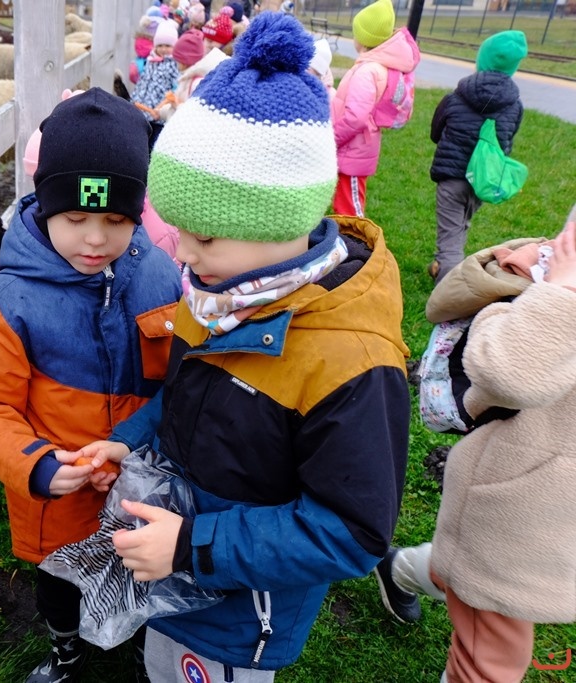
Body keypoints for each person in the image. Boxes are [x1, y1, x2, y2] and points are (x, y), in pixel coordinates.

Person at [66, 14, 411, 681]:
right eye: (178, 229)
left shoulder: (349, 362)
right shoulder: (219, 295)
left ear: (279, 222)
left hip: (241, 614)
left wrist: (191, 546)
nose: (183, 254)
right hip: (177, 566)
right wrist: (130, 441)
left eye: (204, 236)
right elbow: (188, 394)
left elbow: (353, 529)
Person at [0, 87, 182, 683]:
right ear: (46, 205)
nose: (95, 239)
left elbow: (181, 377)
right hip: (59, 490)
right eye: (75, 219)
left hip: (140, 479)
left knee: (138, 563)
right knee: (59, 579)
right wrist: (38, 464)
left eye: (116, 220)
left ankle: (137, 638)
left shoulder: (159, 274)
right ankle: (67, 651)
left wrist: (136, 442)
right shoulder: (12, 299)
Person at [373, 213, 576, 683]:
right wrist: (561, 292)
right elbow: (508, 373)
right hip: (520, 504)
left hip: (556, 506)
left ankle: (402, 568)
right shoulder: (548, 277)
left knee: (463, 570)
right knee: (489, 663)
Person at [426, 31, 527, 282]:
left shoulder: (455, 97)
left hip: (453, 178)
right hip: (484, 179)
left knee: (450, 237)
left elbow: (436, 132)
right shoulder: (515, 105)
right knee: (461, 224)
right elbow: (507, 141)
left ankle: (448, 289)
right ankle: (442, 265)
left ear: (481, 60)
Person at [331, 0, 419, 216]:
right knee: (343, 204)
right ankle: (344, 234)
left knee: (350, 209)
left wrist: (332, 138)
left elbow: (355, 118)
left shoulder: (367, 71)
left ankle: (357, 237)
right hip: (354, 147)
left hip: (353, 148)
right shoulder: (373, 67)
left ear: (363, 38)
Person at [132, 19, 182, 125]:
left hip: (159, 112)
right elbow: (142, 82)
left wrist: (162, 107)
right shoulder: (150, 60)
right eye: (160, 46)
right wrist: (134, 99)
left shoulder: (174, 64)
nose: (163, 49)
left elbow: (176, 88)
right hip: (142, 109)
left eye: (167, 46)